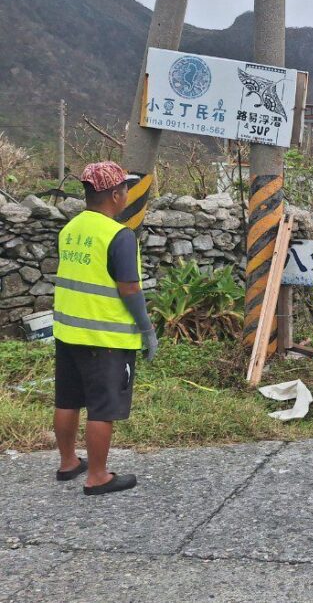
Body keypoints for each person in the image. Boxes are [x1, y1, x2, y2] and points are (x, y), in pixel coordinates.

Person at [52, 161, 158, 496]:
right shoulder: (119, 235)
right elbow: (129, 288)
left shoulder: (71, 229)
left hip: (68, 331)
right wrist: (146, 329)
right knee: (103, 407)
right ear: (115, 194)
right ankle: (97, 476)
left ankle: (68, 463)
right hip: (106, 336)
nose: (127, 192)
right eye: (125, 187)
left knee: (67, 400)